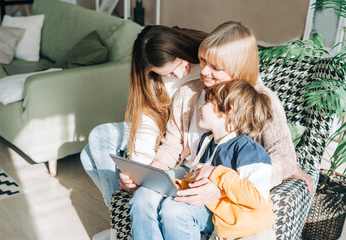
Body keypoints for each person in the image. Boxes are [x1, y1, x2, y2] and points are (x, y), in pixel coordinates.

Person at [126, 21, 314, 240]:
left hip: (227, 188)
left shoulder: (261, 102)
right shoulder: (188, 93)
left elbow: (283, 157)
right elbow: (172, 145)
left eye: (216, 67)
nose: (204, 71)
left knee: (173, 210)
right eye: (203, 60)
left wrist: (223, 186)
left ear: (239, 67)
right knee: (143, 197)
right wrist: (153, 172)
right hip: (190, 172)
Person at [80, 25, 208, 239]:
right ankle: (123, 220)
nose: (178, 74)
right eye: (168, 73)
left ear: (181, 47)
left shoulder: (207, 59)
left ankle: (121, 226)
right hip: (165, 127)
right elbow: (148, 124)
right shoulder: (153, 80)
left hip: (185, 135)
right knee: (88, 153)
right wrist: (140, 171)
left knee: (94, 144)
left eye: (180, 65)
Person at [174, 80, 276, 239]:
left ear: (228, 110)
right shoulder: (207, 142)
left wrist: (216, 172)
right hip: (225, 229)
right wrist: (181, 186)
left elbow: (258, 198)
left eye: (208, 102)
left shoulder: (250, 150)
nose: (200, 107)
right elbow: (201, 180)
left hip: (251, 232)